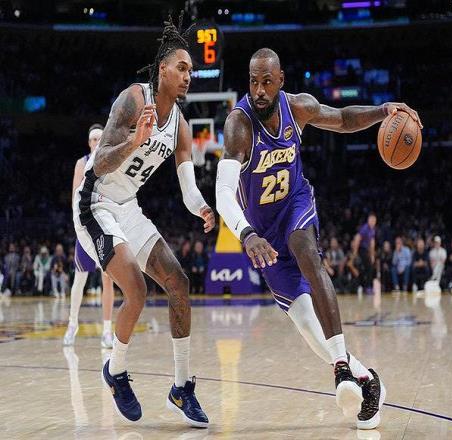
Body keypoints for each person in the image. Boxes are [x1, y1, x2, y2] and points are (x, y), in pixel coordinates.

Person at [215, 48, 421, 429]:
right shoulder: (238, 125)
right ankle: (365, 378)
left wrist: (382, 111)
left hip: (295, 204)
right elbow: (223, 192)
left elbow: (341, 119)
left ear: (280, 81)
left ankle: (341, 368)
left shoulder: (298, 108)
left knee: (305, 250)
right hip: (262, 231)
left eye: (267, 82)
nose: (259, 91)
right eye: (253, 82)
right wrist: (247, 234)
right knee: (308, 327)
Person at [73, 16, 215, 426]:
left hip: (127, 206)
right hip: (95, 202)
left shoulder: (181, 126)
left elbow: (187, 189)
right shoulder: (134, 98)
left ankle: (181, 387)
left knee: (178, 283)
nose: (188, 76)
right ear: (163, 69)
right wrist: (134, 140)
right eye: (182, 68)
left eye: (191, 70)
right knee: (136, 289)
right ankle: (115, 371)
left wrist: (202, 207)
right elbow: (100, 162)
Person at [63, 124, 116, 348]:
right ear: (89, 143)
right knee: (80, 279)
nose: (96, 142)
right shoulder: (81, 163)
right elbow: (75, 197)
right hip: (86, 227)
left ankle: (107, 331)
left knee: (108, 279)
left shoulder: (111, 162)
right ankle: (72, 324)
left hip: (104, 227)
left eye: (99, 138)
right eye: (93, 139)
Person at [354, 213, 377, 293]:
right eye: (371, 220)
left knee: (369, 267)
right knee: (368, 267)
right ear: (368, 220)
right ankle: (367, 287)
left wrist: (372, 255)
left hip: (366, 250)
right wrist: (355, 252)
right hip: (361, 249)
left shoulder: (372, 230)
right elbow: (357, 239)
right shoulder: (364, 228)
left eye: (374, 221)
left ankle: (367, 286)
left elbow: (372, 243)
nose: (373, 222)